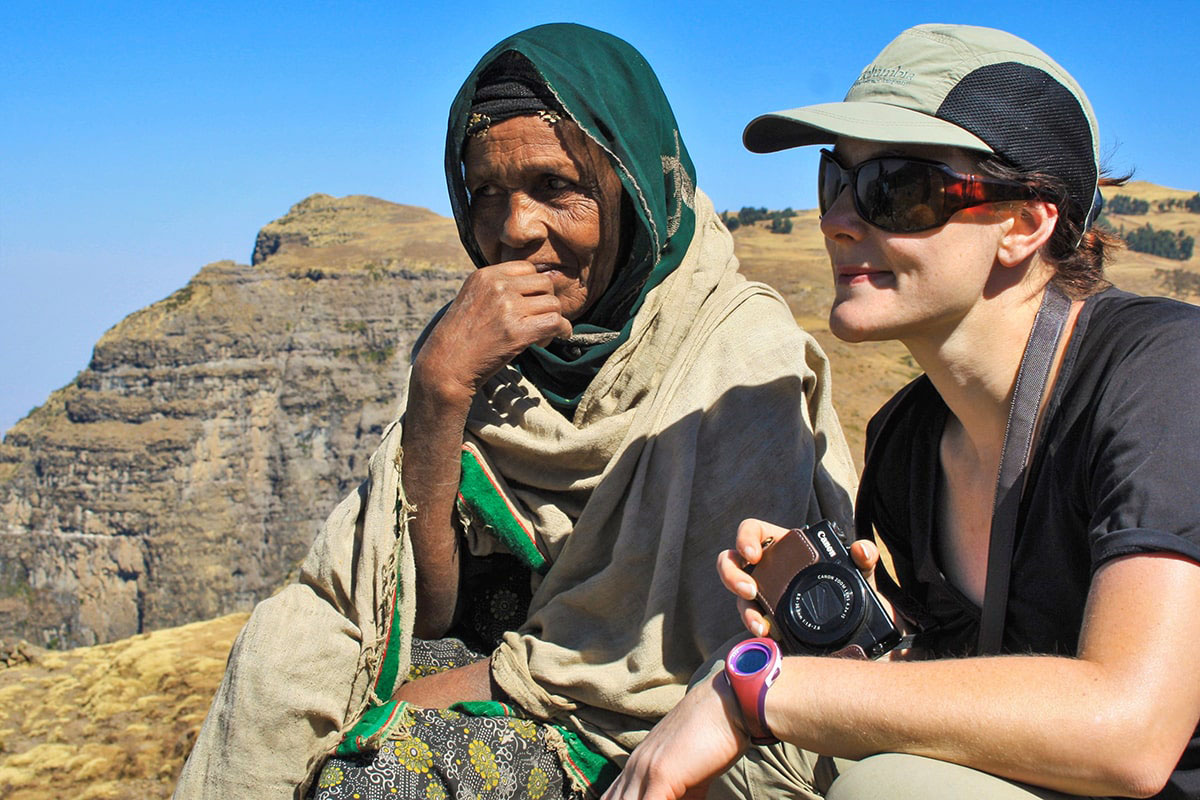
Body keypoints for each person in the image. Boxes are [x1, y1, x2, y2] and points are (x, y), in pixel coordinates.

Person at [173, 23, 857, 800]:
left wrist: (419, 705)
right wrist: (438, 390)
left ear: (635, 188)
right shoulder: (478, 343)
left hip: (665, 726)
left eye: (554, 187)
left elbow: (661, 659)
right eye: (485, 192)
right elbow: (426, 611)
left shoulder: (738, 356)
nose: (512, 229)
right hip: (510, 673)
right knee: (287, 657)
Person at [605, 23, 1200, 800]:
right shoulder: (906, 441)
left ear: (1026, 221)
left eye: (895, 187)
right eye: (835, 180)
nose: (838, 219)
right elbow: (968, 708)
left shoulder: (1164, 375)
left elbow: (1130, 729)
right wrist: (856, 647)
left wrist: (755, 693)